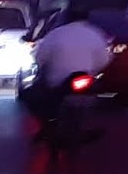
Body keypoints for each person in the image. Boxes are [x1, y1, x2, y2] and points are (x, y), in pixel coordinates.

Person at [23, 8, 113, 140]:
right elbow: (105, 59)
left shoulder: (55, 34)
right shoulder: (96, 33)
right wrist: (92, 71)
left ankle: (46, 125)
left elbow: (40, 58)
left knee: (28, 94)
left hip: (56, 82)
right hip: (85, 79)